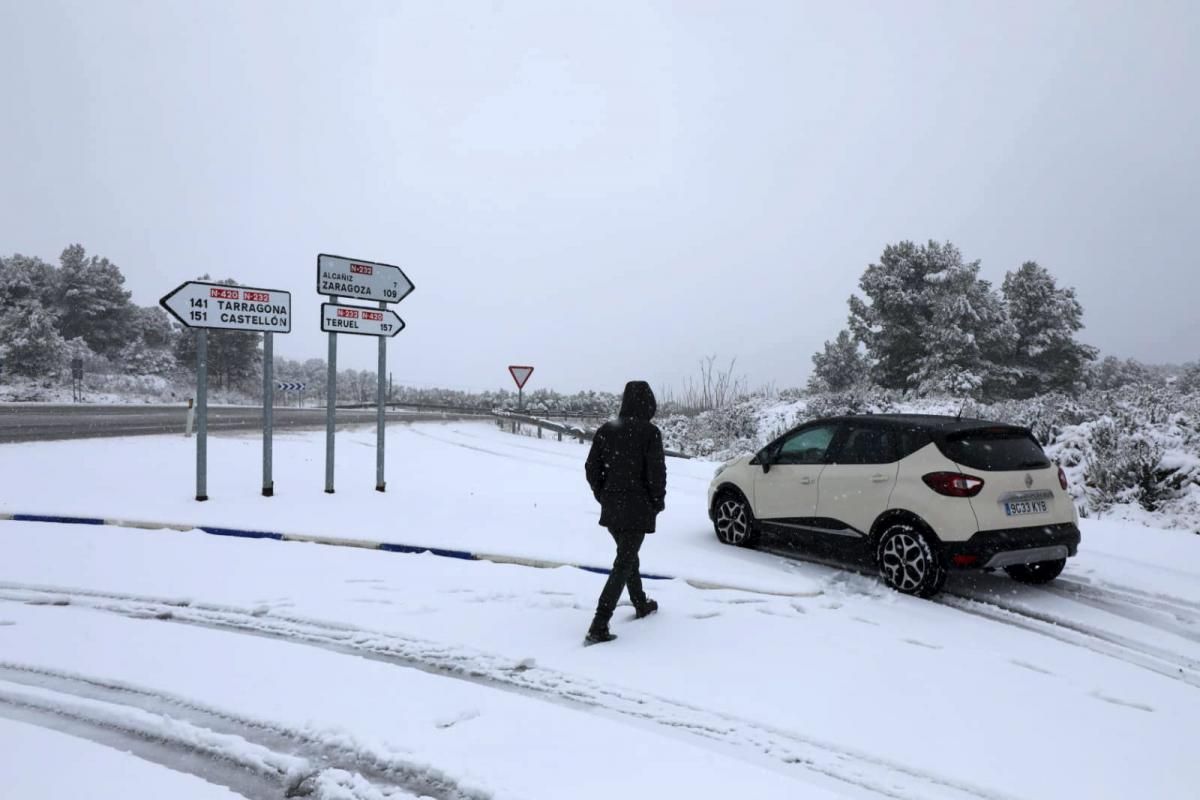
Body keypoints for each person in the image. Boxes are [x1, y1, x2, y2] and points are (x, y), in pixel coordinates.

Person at [583, 380, 667, 645]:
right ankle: (599, 622)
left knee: (627, 555)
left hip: (613, 507)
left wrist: (603, 495)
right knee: (624, 562)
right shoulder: (649, 433)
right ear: (648, 403)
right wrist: (657, 501)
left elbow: (591, 468)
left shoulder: (607, 430)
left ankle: (640, 603)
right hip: (638, 507)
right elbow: (656, 473)